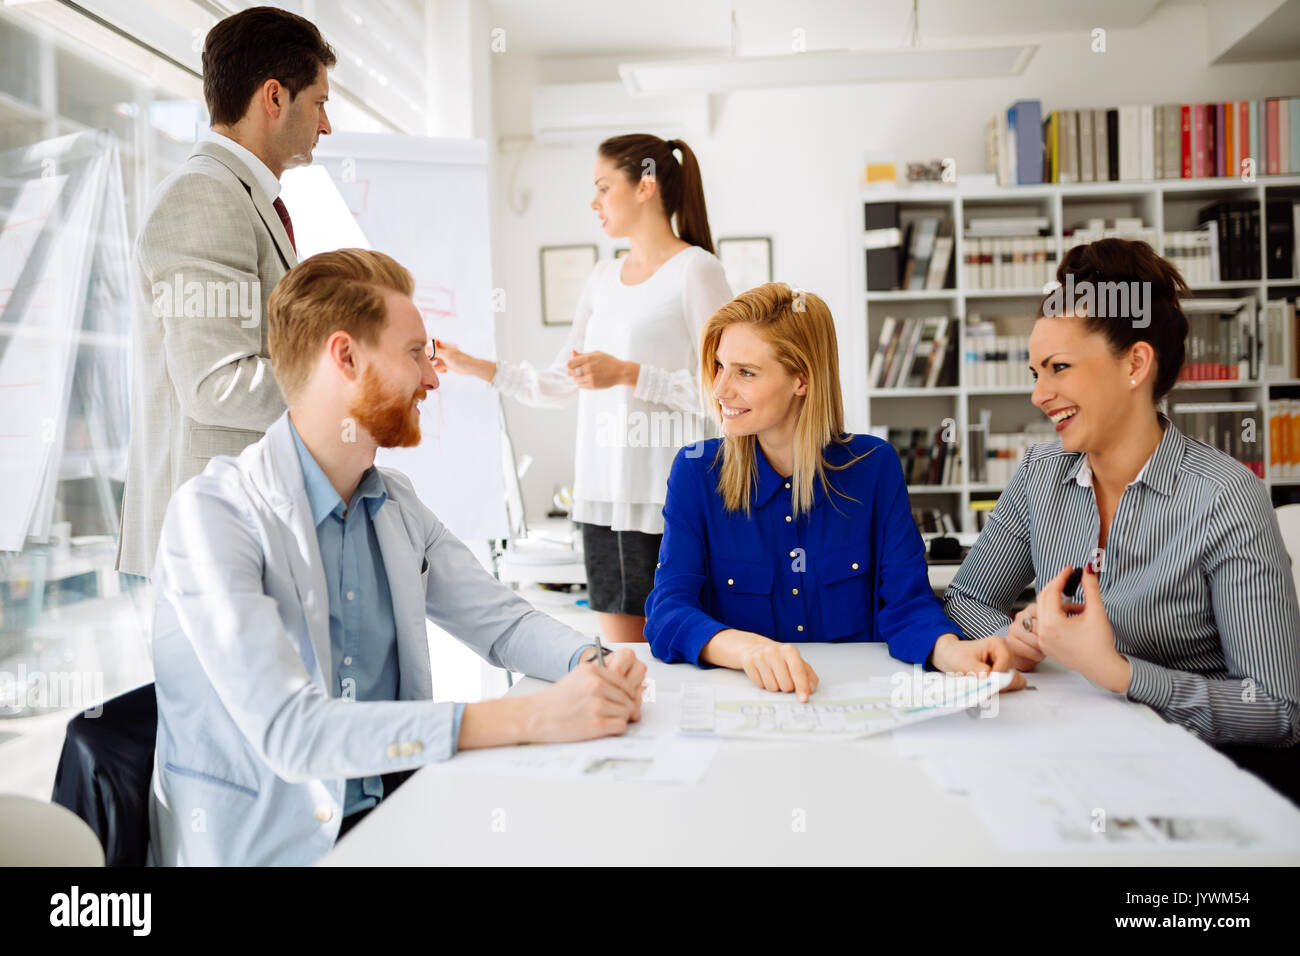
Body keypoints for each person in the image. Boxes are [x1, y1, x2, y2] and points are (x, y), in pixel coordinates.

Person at [148, 249, 647, 866]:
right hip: (271, 851)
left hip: (400, 823)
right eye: (416, 354)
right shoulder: (214, 516)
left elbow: (504, 621)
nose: (433, 379)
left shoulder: (394, 501)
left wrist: (592, 662)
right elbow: (291, 732)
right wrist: (532, 716)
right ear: (346, 356)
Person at [944, 238, 1300, 760]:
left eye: (1058, 368)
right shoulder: (1041, 475)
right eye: (1035, 373)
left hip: (1181, 774)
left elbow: (1276, 710)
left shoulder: (1225, 497)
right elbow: (968, 597)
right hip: (1059, 749)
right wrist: (1015, 635)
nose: (1038, 395)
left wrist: (1120, 673)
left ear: (1135, 364)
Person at [643, 282, 1023, 698]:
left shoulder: (873, 468)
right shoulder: (696, 472)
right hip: (744, 702)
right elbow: (668, 612)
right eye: (719, 366)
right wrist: (746, 649)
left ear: (801, 380)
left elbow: (906, 604)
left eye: (745, 372)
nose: (719, 390)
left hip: (859, 701)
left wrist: (952, 652)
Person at [435, 134, 732, 644]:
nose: (593, 202)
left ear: (645, 186)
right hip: (601, 500)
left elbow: (726, 391)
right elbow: (557, 382)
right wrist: (470, 364)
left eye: (602, 187)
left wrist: (630, 373)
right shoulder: (602, 277)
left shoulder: (696, 271)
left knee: (684, 658)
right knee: (625, 664)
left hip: (668, 500)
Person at [117, 6, 334, 576]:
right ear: (273, 97)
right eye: (320, 103)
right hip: (210, 544)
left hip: (235, 531)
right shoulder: (204, 195)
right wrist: (349, 380)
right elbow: (217, 384)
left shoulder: (243, 197)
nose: (326, 125)